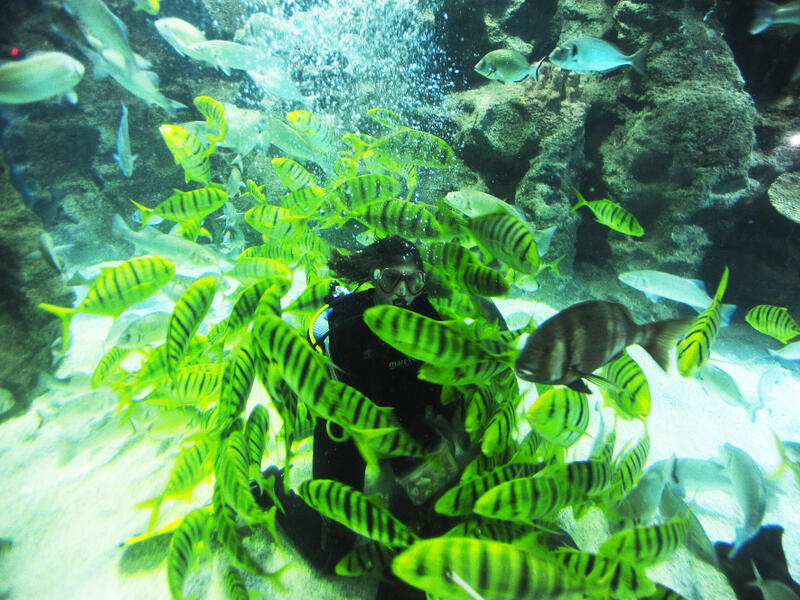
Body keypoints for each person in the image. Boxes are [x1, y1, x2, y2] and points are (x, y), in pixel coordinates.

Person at [253, 236, 463, 597]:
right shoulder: (346, 329)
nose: (402, 292)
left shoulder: (429, 321)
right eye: (391, 279)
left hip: (406, 420)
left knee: (432, 519)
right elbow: (337, 398)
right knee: (330, 555)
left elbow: (441, 394)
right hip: (346, 428)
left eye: (413, 280)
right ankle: (271, 488)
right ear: (374, 278)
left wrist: (444, 437)